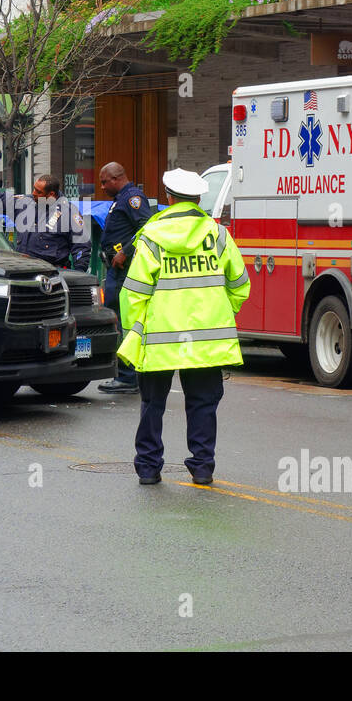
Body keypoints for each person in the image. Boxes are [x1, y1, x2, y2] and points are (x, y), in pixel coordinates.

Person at [117, 168, 251, 486]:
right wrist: (219, 312)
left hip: (158, 338)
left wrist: (134, 331)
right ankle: (203, 467)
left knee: (152, 403)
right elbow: (240, 284)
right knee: (203, 403)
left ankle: (149, 468)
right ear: (199, 198)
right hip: (207, 340)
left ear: (168, 197)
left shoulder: (150, 237)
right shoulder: (218, 235)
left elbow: (133, 292)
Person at [97, 162, 155, 394]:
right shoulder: (121, 198)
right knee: (118, 318)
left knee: (123, 321)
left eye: (104, 182)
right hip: (116, 268)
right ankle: (127, 374)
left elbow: (147, 227)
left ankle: (128, 376)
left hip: (125, 269)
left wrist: (125, 252)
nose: (101, 187)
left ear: (117, 178)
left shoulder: (133, 198)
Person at [0, 172, 90, 270]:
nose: (33, 193)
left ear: (51, 195)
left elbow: (82, 245)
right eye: (34, 189)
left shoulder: (69, 212)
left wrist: (78, 275)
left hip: (53, 274)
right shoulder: (25, 203)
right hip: (24, 270)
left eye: (38, 191)